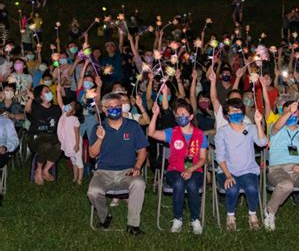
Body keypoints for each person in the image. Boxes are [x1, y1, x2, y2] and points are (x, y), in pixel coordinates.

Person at [87, 93, 148, 236]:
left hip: (127, 171)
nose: (115, 110)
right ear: (104, 109)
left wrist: (137, 167)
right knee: (93, 192)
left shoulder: (133, 126)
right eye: (111, 107)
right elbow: (92, 154)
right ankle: (105, 217)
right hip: (103, 172)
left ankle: (133, 225)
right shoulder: (98, 127)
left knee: (139, 183)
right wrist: (100, 139)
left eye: (118, 107)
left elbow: (142, 150)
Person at [148, 99, 207, 235]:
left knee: (192, 185)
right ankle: (177, 218)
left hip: (195, 170)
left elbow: (203, 158)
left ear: (191, 116)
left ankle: (195, 219)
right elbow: (151, 133)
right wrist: (155, 115)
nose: (181, 117)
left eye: (184, 114)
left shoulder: (200, 134)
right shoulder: (172, 132)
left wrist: (190, 169)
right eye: (178, 115)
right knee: (179, 183)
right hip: (174, 170)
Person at [264, 101, 299, 232]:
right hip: (277, 168)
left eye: (294, 112)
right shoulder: (275, 128)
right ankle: (269, 212)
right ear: (283, 113)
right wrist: (289, 111)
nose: (292, 115)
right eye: (288, 112)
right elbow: (277, 125)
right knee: (286, 184)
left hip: (298, 168)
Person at [215, 98, 268, 230]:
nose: (235, 113)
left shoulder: (251, 128)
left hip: (248, 169)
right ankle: (230, 215)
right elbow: (220, 157)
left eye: (238, 110)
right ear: (227, 115)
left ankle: (252, 214)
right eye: (232, 111)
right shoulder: (222, 132)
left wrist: (258, 123)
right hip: (227, 170)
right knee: (232, 189)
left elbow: (262, 143)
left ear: (243, 112)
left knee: (252, 188)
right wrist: (228, 175)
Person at [25, 85, 62, 185]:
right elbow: (27, 110)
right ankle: (38, 170)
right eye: (46, 91)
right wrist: (30, 99)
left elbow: (64, 108)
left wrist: (59, 92)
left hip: (51, 136)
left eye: (50, 91)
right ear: (40, 96)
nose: (50, 92)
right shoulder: (35, 106)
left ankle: (46, 170)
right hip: (36, 137)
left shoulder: (55, 109)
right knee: (46, 146)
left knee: (60, 145)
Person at [56, 84, 83, 185]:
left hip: (75, 142)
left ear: (74, 111)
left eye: (71, 106)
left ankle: (80, 180)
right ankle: (75, 178)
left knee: (79, 161)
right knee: (73, 161)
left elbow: (77, 132)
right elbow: (60, 102)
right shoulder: (64, 112)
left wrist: (77, 144)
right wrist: (58, 91)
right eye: (69, 104)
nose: (68, 106)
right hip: (68, 141)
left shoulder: (74, 119)